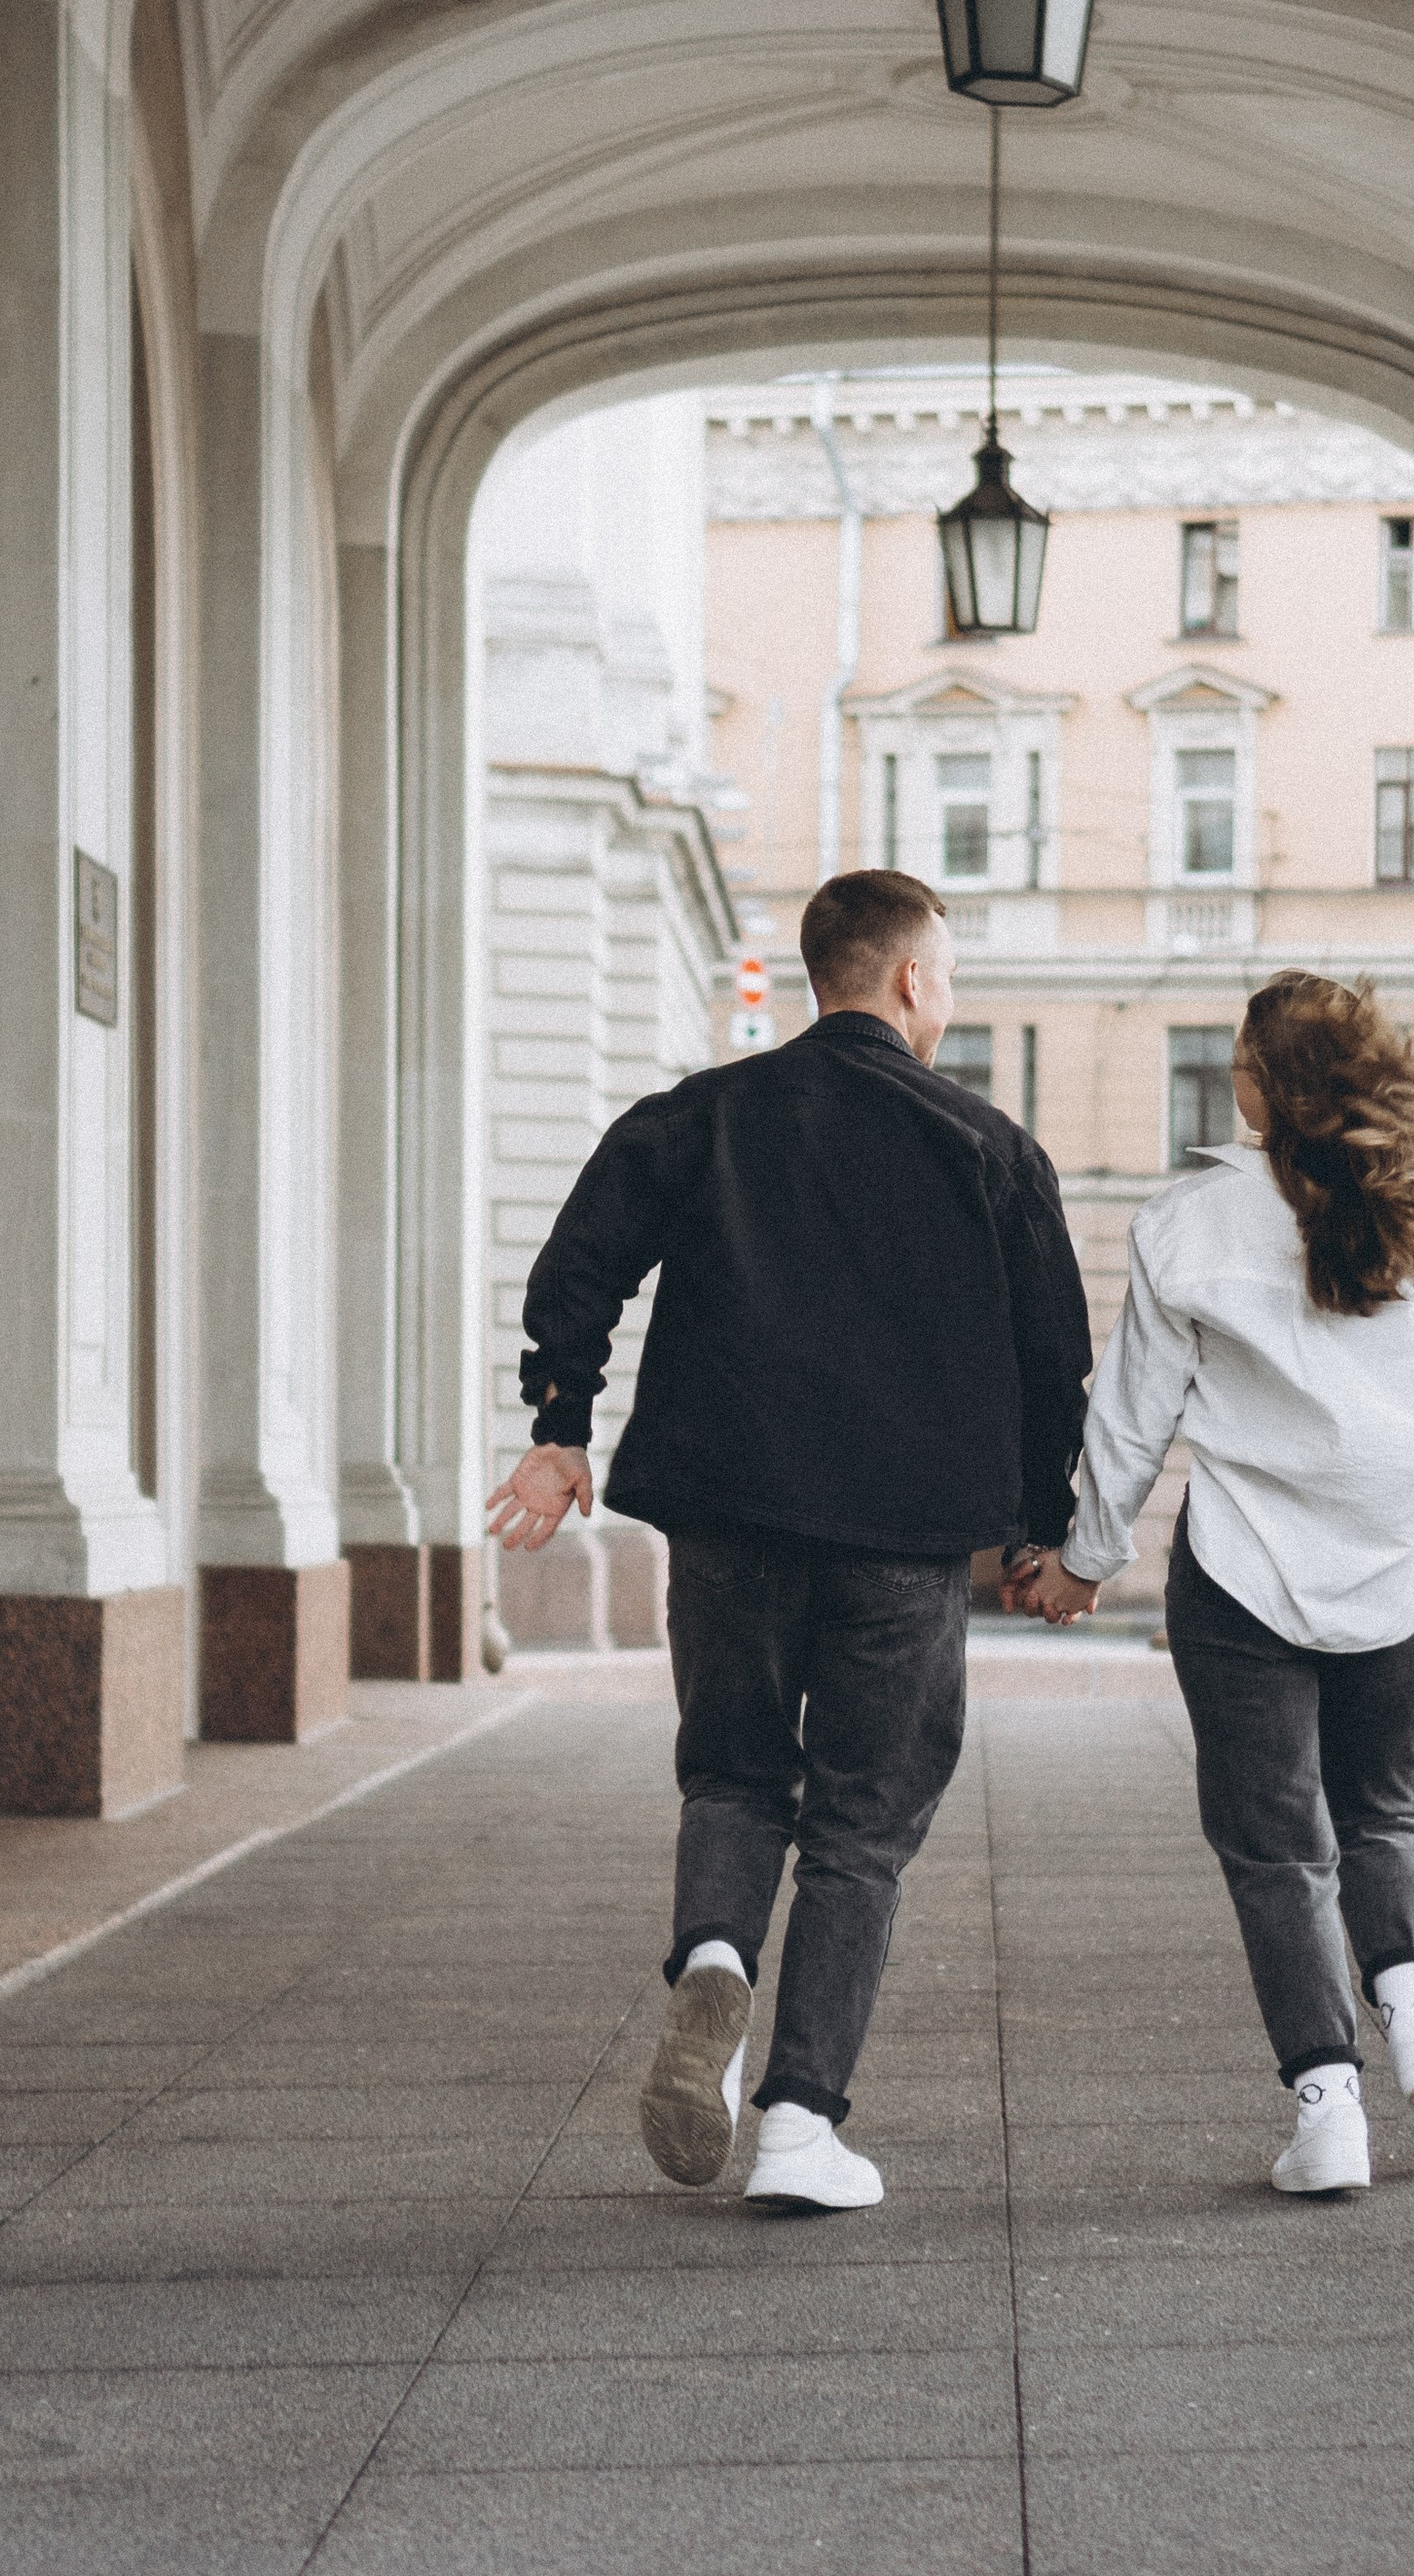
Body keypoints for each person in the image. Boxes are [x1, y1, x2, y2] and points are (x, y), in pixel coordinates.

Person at [488, 867, 1090, 2214]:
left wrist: (561, 1419)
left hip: (730, 1514)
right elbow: (1059, 1360)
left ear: (819, 975)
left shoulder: (704, 1116)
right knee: (864, 1823)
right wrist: (1050, 1532)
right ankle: (804, 2127)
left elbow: (580, 1257)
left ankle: (714, 1956)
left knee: (736, 1772)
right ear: (914, 983)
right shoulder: (988, 1147)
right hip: (905, 1534)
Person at [1009, 969, 1414, 2197]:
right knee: (1384, 1811)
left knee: (1277, 1850)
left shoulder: (1185, 1224)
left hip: (1242, 1574)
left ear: (1256, 1083)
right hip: (1392, 1575)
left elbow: (1133, 1424)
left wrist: (1079, 1562)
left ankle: (1327, 2114)